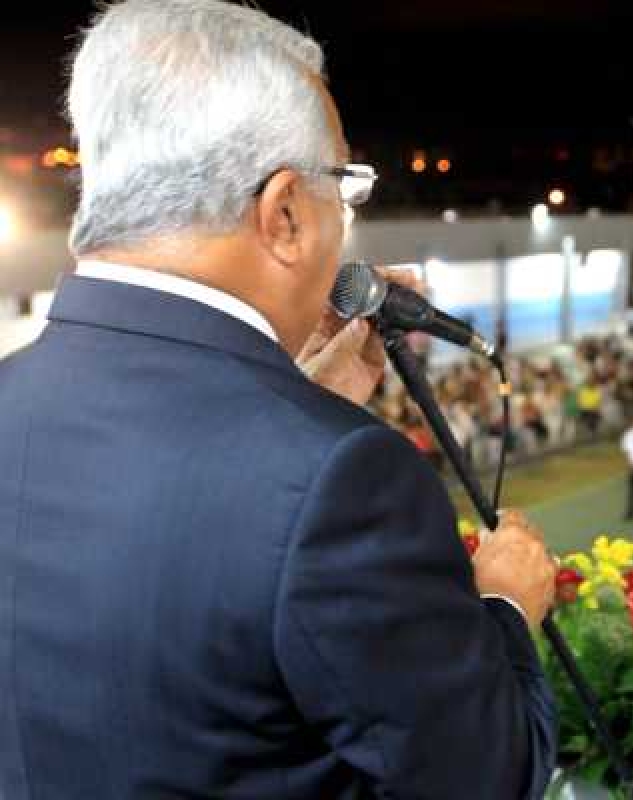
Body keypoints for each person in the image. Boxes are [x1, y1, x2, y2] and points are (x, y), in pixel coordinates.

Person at [0, 3, 557, 798]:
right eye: (344, 187)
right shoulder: (342, 478)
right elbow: (485, 779)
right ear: (286, 212)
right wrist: (502, 605)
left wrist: (289, 407)